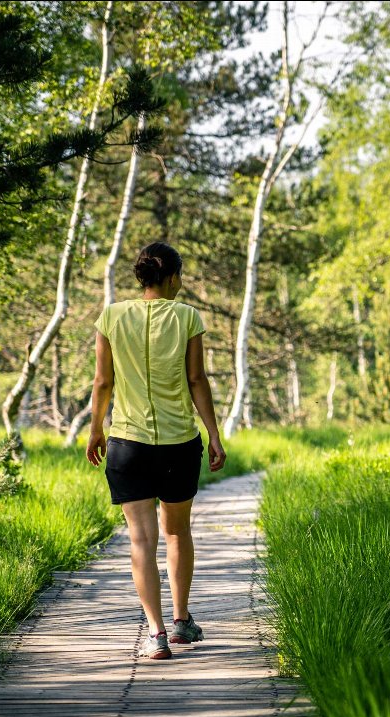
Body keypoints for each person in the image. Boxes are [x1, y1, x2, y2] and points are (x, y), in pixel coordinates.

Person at [85, 241, 226, 660]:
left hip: (127, 443)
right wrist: (214, 433)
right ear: (172, 278)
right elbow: (197, 379)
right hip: (179, 442)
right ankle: (182, 621)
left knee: (141, 539)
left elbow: (102, 383)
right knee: (177, 532)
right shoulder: (187, 317)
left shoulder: (111, 316)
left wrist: (96, 429)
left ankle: (156, 634)